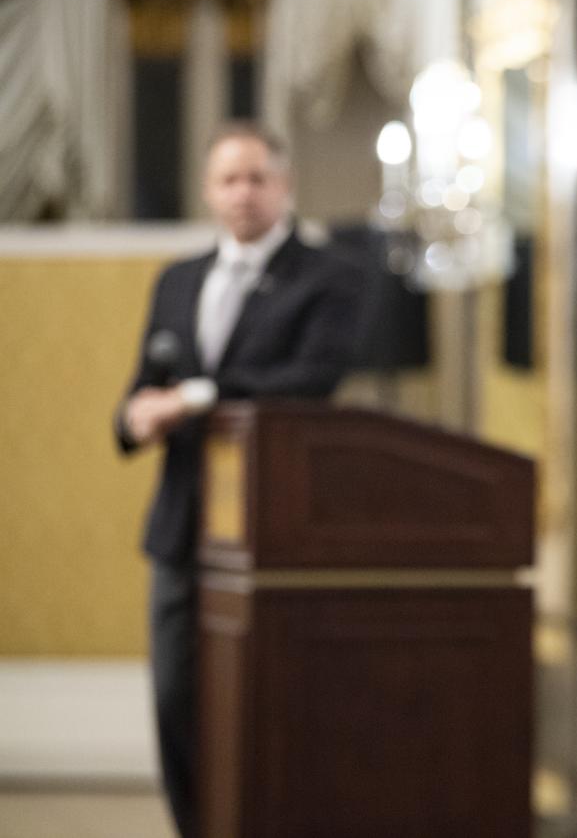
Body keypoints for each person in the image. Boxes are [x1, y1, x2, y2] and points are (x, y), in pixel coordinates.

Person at [114, 122, 361, 837]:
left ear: (284, 186)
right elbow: (144, 388)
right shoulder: (178, 279)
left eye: (257, 177)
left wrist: (194, 398)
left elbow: (310, 381)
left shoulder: (332, 273)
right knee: (175, 699)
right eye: (228, 179)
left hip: (281, 532)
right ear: (207, 189)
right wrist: (133, 418)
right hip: (184, 526)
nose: (243, 193)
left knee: (270, 709)